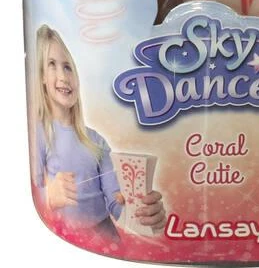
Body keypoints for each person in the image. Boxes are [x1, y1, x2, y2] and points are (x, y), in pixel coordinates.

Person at [34, 25, 165, 237]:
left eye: (67, 67)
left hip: (105, 233)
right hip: (62, 236)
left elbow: (116, 201)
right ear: (40, 76)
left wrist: (144, 215)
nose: (63, 76)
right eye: (52, 65)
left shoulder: (96, 140)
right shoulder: (39, 134)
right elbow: (25, 189)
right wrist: (48, 196)